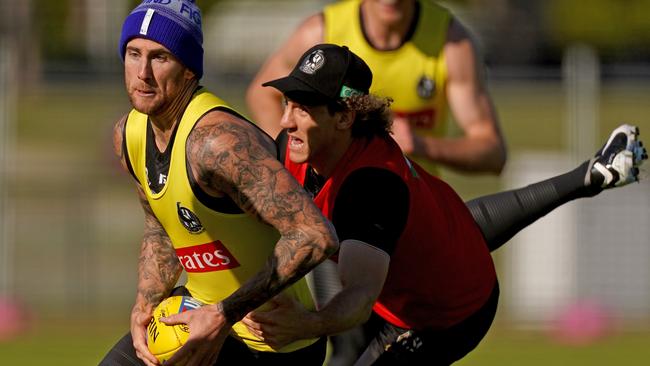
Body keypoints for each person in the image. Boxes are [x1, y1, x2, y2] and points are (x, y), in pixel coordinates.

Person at [241, 44, 648, 365]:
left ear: (345, 117)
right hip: (442, 234)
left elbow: (360, 297)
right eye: (287, 103)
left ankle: (588, 176)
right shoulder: (298, 147)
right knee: (463, 230)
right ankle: (590, 174)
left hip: (444, 315)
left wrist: (306, 325)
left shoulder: (371, 188)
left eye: (304, 108)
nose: (285, 121)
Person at [99, 2, 338, 365]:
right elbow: (161, 226)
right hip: (197, 317)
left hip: (270, 344)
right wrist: (144, 305)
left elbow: (314, 235)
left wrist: (223, 314)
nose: (143, 73)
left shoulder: (220, 142)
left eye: (160, 57)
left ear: (189, 69)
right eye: (134, 54)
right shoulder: (128, 134)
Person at [246, 0, 506, 176]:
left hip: (412, 213)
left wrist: (420, 145)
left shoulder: (451, 41)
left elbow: (493, 154)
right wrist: (294, 168)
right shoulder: (321, 31)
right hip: (333, 209)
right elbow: (262, 94)